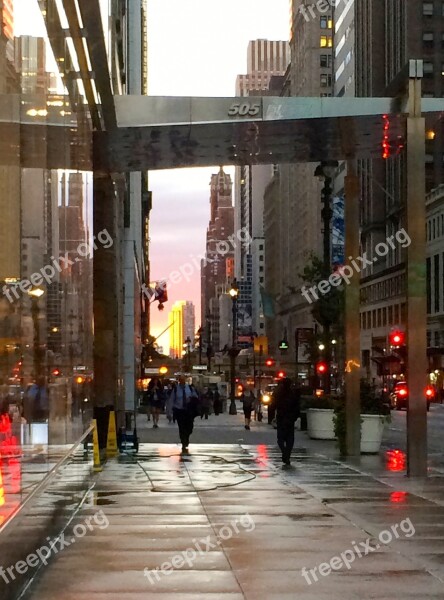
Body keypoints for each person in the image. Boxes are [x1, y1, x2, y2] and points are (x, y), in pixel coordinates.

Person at [274, 377, 300, 466]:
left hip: (281, 418)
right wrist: (295, 417)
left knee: (280, 439)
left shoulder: (278, 394)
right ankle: (287, 454)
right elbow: (297, 407)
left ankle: (284, 452)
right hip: (290, 419)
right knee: (290, 439)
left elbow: (274, 405)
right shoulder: (293, 394)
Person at [171, 375, 199, 453]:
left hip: (189, 410)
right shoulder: (176, 389)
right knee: (181, 427)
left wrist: (191, 398)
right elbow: (172, 400)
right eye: (181, 380)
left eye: (183, 380)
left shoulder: (190, 388)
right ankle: (184, 441)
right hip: (179, 410)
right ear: (179, 381)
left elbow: (196, 397)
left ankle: (186, 437)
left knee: (189, 427)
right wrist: (170, 412)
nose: (182, 382)